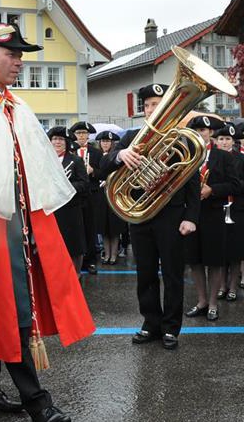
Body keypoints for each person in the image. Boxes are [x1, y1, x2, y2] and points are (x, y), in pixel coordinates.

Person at [0, 22, 95, 422]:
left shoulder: (18, 106)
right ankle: (38, 403)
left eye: (21, 54)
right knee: (10, 310)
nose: (19, 61)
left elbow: (36, 170)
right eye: (11, 54)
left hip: (21, 224)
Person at [99, 83, 200, 350]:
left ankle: (171, 328)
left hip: (172, 215)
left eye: (157, 103)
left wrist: (191, 217)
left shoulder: (182, 138)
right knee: (145, 273)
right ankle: (150, 323)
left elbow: (192, 183)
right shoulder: (131, 137)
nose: (151, 109)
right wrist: (120, 155)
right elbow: (103, 167)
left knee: (172, 274)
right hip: (141, 214)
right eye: (147, 106)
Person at [184, 116, 240, 321]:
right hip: (190, 213)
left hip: (214, 213)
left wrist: (212, 190)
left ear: (211, 133)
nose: (201, 133)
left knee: (214, 261)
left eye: (205, 130)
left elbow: (235, 185)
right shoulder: (186, 155)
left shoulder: (223, 157)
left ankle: (214, 304)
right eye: (197, 129)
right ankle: (202, 301)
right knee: (194, 260)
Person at [47, 126, 89, 275]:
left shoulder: (75, 161)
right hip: (52, 210)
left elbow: (84, 184)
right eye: (55, 139)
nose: (57, 142)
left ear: (66, 142)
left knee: (74, 245)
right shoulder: (45, 160)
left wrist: (65, 186)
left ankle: (75, 274)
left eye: (61, 139)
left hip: (71, 210)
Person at [214, 124, 244, 301]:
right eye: (221, 139)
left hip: (238, 208)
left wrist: (231, 186)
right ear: (216, 141)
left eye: (227, 139)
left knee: (235, 250)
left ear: (233, 142)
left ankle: (233, 286)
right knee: (220, 250)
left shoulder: (241, 158)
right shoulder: (212, 158)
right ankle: (222, 286)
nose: (224, 142)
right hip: (218, 208)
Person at [69, 121, 102, 274]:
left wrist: (93, 171)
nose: (81, 136)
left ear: (88, 135)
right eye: (78, 133)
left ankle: (91, 261)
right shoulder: (71, 152)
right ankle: (77, 261)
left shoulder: (96, 152)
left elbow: (105, 172)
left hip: (92, 194)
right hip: (76, 196)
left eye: (84, 133)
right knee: (76, 228)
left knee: (90, 227)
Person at [94, 131, 126, 265]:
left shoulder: (117, 156)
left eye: (108, 141)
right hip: (101, 195)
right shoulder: (97, 156)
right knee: (104, 228)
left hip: (114, 193)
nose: (105, 143)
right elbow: (95, 172)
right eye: (103, 141)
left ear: (112, 143)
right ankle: (106, 254)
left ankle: (113, 255)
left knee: (114, 227)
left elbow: (123, 172)